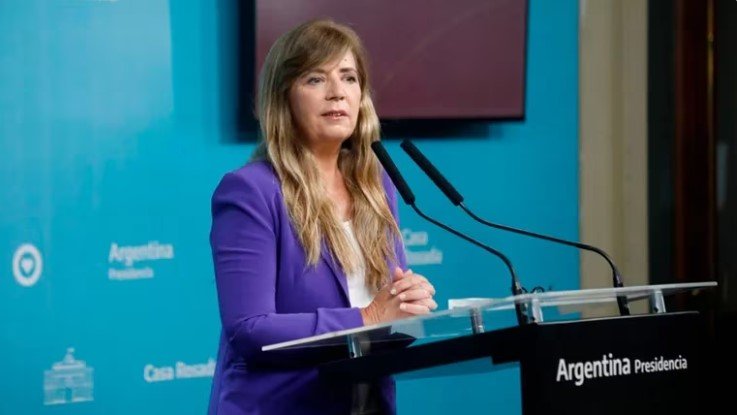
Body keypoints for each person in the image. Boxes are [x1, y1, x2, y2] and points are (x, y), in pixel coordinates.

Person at [208, 19, 437, 415]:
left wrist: (407, 307)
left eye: (349, 77)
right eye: (315, 79)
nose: (337, 92)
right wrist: (368, 317)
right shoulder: (251, 191)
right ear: (283, 97)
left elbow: (387, 320)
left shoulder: (375, 184)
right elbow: (249, 329)